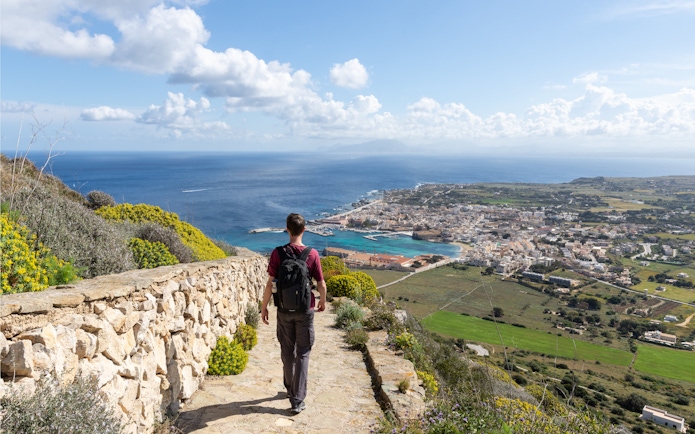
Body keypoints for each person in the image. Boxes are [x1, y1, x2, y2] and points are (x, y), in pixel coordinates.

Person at [261, 213, 327, 414]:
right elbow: (321, 283)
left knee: (287, 350)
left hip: (283, 309)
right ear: (304, 229)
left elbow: (270, 283)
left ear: (287, 229)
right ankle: (297, 400)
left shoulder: (277, 253)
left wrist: (264, 306)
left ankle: (290, 387)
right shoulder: (312, 254)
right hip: (305, 310)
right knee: (303, 352)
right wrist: (323, 300)